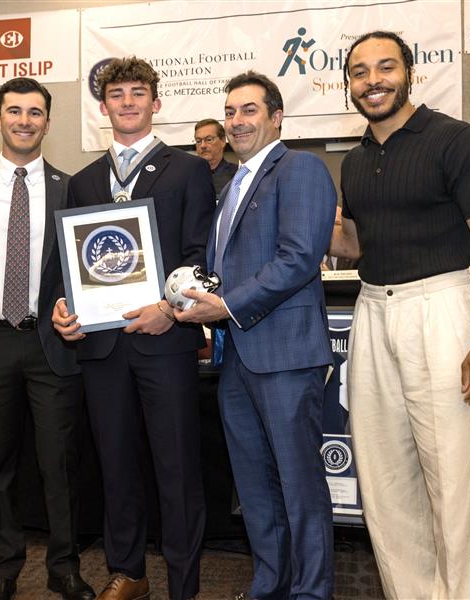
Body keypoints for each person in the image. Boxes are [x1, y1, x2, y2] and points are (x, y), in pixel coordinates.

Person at [330, 31, 470, 599]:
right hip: (372, 310)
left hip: (441, 308)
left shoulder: (454, 139)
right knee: (385, 480)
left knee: (455, 479)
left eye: (385, 67)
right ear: (348, 85)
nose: (373, 81)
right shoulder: (354, 161)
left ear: (411, 73)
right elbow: (355, 245)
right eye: (360, 72)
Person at [53, 57, 214, 600]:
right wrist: (63, 307)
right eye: (117, 94)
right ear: (103, 107)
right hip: (102, 347)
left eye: (137, 92)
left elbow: (200, 255)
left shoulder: (188, 170)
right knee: (115, 466)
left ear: (155, 102)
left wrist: (169, 308)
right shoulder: (82, 182)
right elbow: (73, 265)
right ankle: (129, 573)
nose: (127, 102)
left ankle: (184, 585)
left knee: (177, 468)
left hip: (166, 341)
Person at [175, 71, 336, 600]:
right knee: (255, 488)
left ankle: (311, 591)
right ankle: (271, 583)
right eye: (230, 112)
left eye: (249, 110)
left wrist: (225, 305)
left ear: (276, 116)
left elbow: (298, 257)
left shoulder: (300, 168)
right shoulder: (230, 188)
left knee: (299, 484)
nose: (237, 121)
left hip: (285, 355)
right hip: (236, 359)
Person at [0, 78, 94, 600]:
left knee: (60, 465)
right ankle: (2, 568)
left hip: (51, 344)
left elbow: (81, 268)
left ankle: (64, 566)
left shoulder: (70, 188)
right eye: (14, 111)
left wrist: (76, 306)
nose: (24, 121)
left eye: (35, 112)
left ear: (48, 123)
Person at [193, 118, 238, 196]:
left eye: (209, 139)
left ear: (223, 141)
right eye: (198, 141)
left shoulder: (237, 175)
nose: (203, 145)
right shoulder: (188, 175)